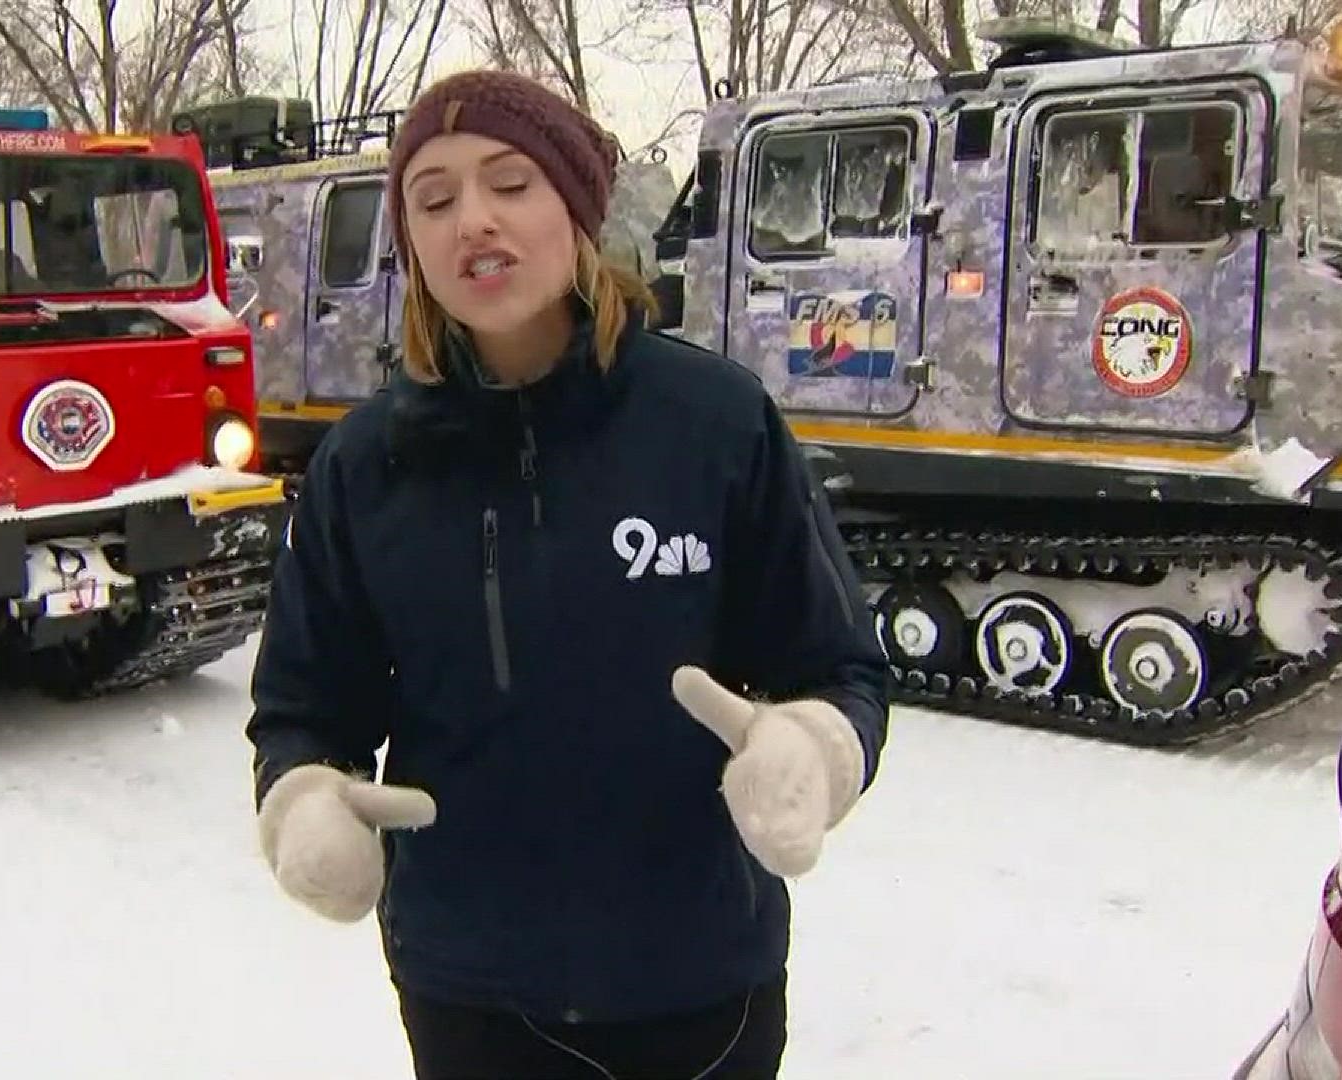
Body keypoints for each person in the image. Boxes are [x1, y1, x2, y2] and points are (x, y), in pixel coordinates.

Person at [245, 68, 890, 1079]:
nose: (474, 222)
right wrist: (304, 799)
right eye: (435, 198)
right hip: (472, 1000)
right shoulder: (365, 466)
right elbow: (300, 708)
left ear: (576, 208)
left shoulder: (716, 423)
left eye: (510, 182)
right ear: (411, 241)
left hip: (703, 987)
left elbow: (841, 669)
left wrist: (809, 748)